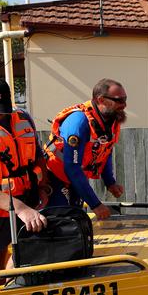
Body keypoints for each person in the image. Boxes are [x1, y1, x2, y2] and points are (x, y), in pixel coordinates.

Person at [0, 75, 47, 290]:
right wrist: (20, 208)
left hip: (3, 207)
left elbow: (37, 156)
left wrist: (40, 189)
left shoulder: (21, 119)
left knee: (5, 262)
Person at [44, 78, 126, 219]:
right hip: (55, 178)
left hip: (76, 179)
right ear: (101, 100)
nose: (124, 105)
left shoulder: (110, 120)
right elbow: (72, 167)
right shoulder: (78, 122)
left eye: (125, 99)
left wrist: (109, 182)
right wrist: (95, 204)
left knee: (76, 222)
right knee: (61, 224)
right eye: (119, 100)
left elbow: (105, 151)